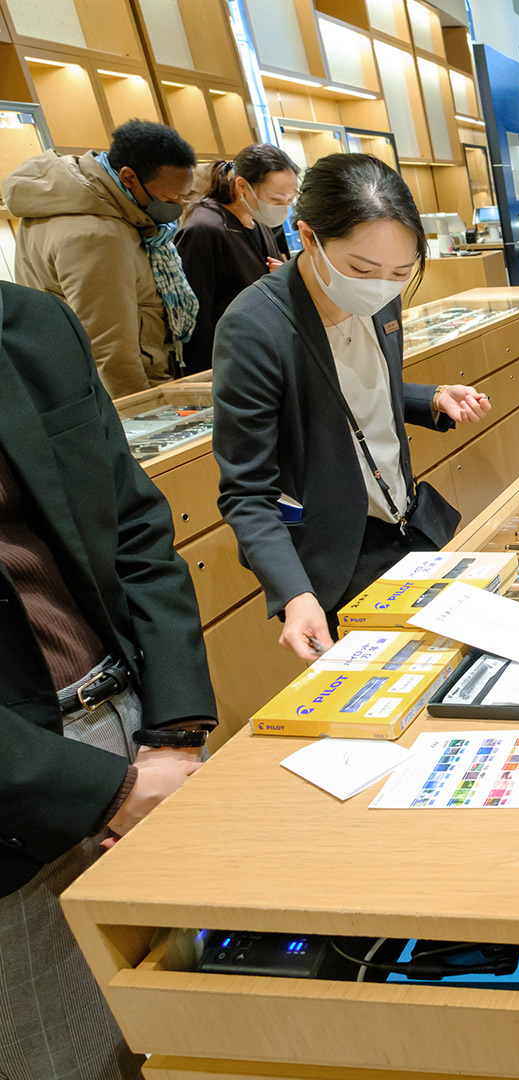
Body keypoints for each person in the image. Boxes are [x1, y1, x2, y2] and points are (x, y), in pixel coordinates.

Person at [0, 280, 216, 1079]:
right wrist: (100, 790)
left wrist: (177, 726)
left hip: (137, 726)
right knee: (58, 1051)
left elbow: (134, 523)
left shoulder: (32, 321)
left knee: (202, 1019)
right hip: (24, 779)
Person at [213, 153, 491, 662]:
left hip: (409, 524)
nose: (381, 285)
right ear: (308, 237)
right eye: (362, 268)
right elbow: (245, 491)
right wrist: (295, 596)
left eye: (400, 272)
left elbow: (351, 389)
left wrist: (426, 397)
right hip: (337, 557)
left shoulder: (381, 293)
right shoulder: (255, 326)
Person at [2, 119, 198, 398]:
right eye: (170, 197)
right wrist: (141, 413)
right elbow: (109, 349)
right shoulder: (99, 235)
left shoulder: (68, 201)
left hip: (75, 383)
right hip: (125, 391)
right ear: (129, 178)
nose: (178, 207)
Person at [176, 144, 300, 375]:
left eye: (289, 200)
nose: (283, 207)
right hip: (228, 363)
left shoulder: (259, 219)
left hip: (264, 354)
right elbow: (196, 319)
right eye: (276, 199)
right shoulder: (205, 230)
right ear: (242, 186)